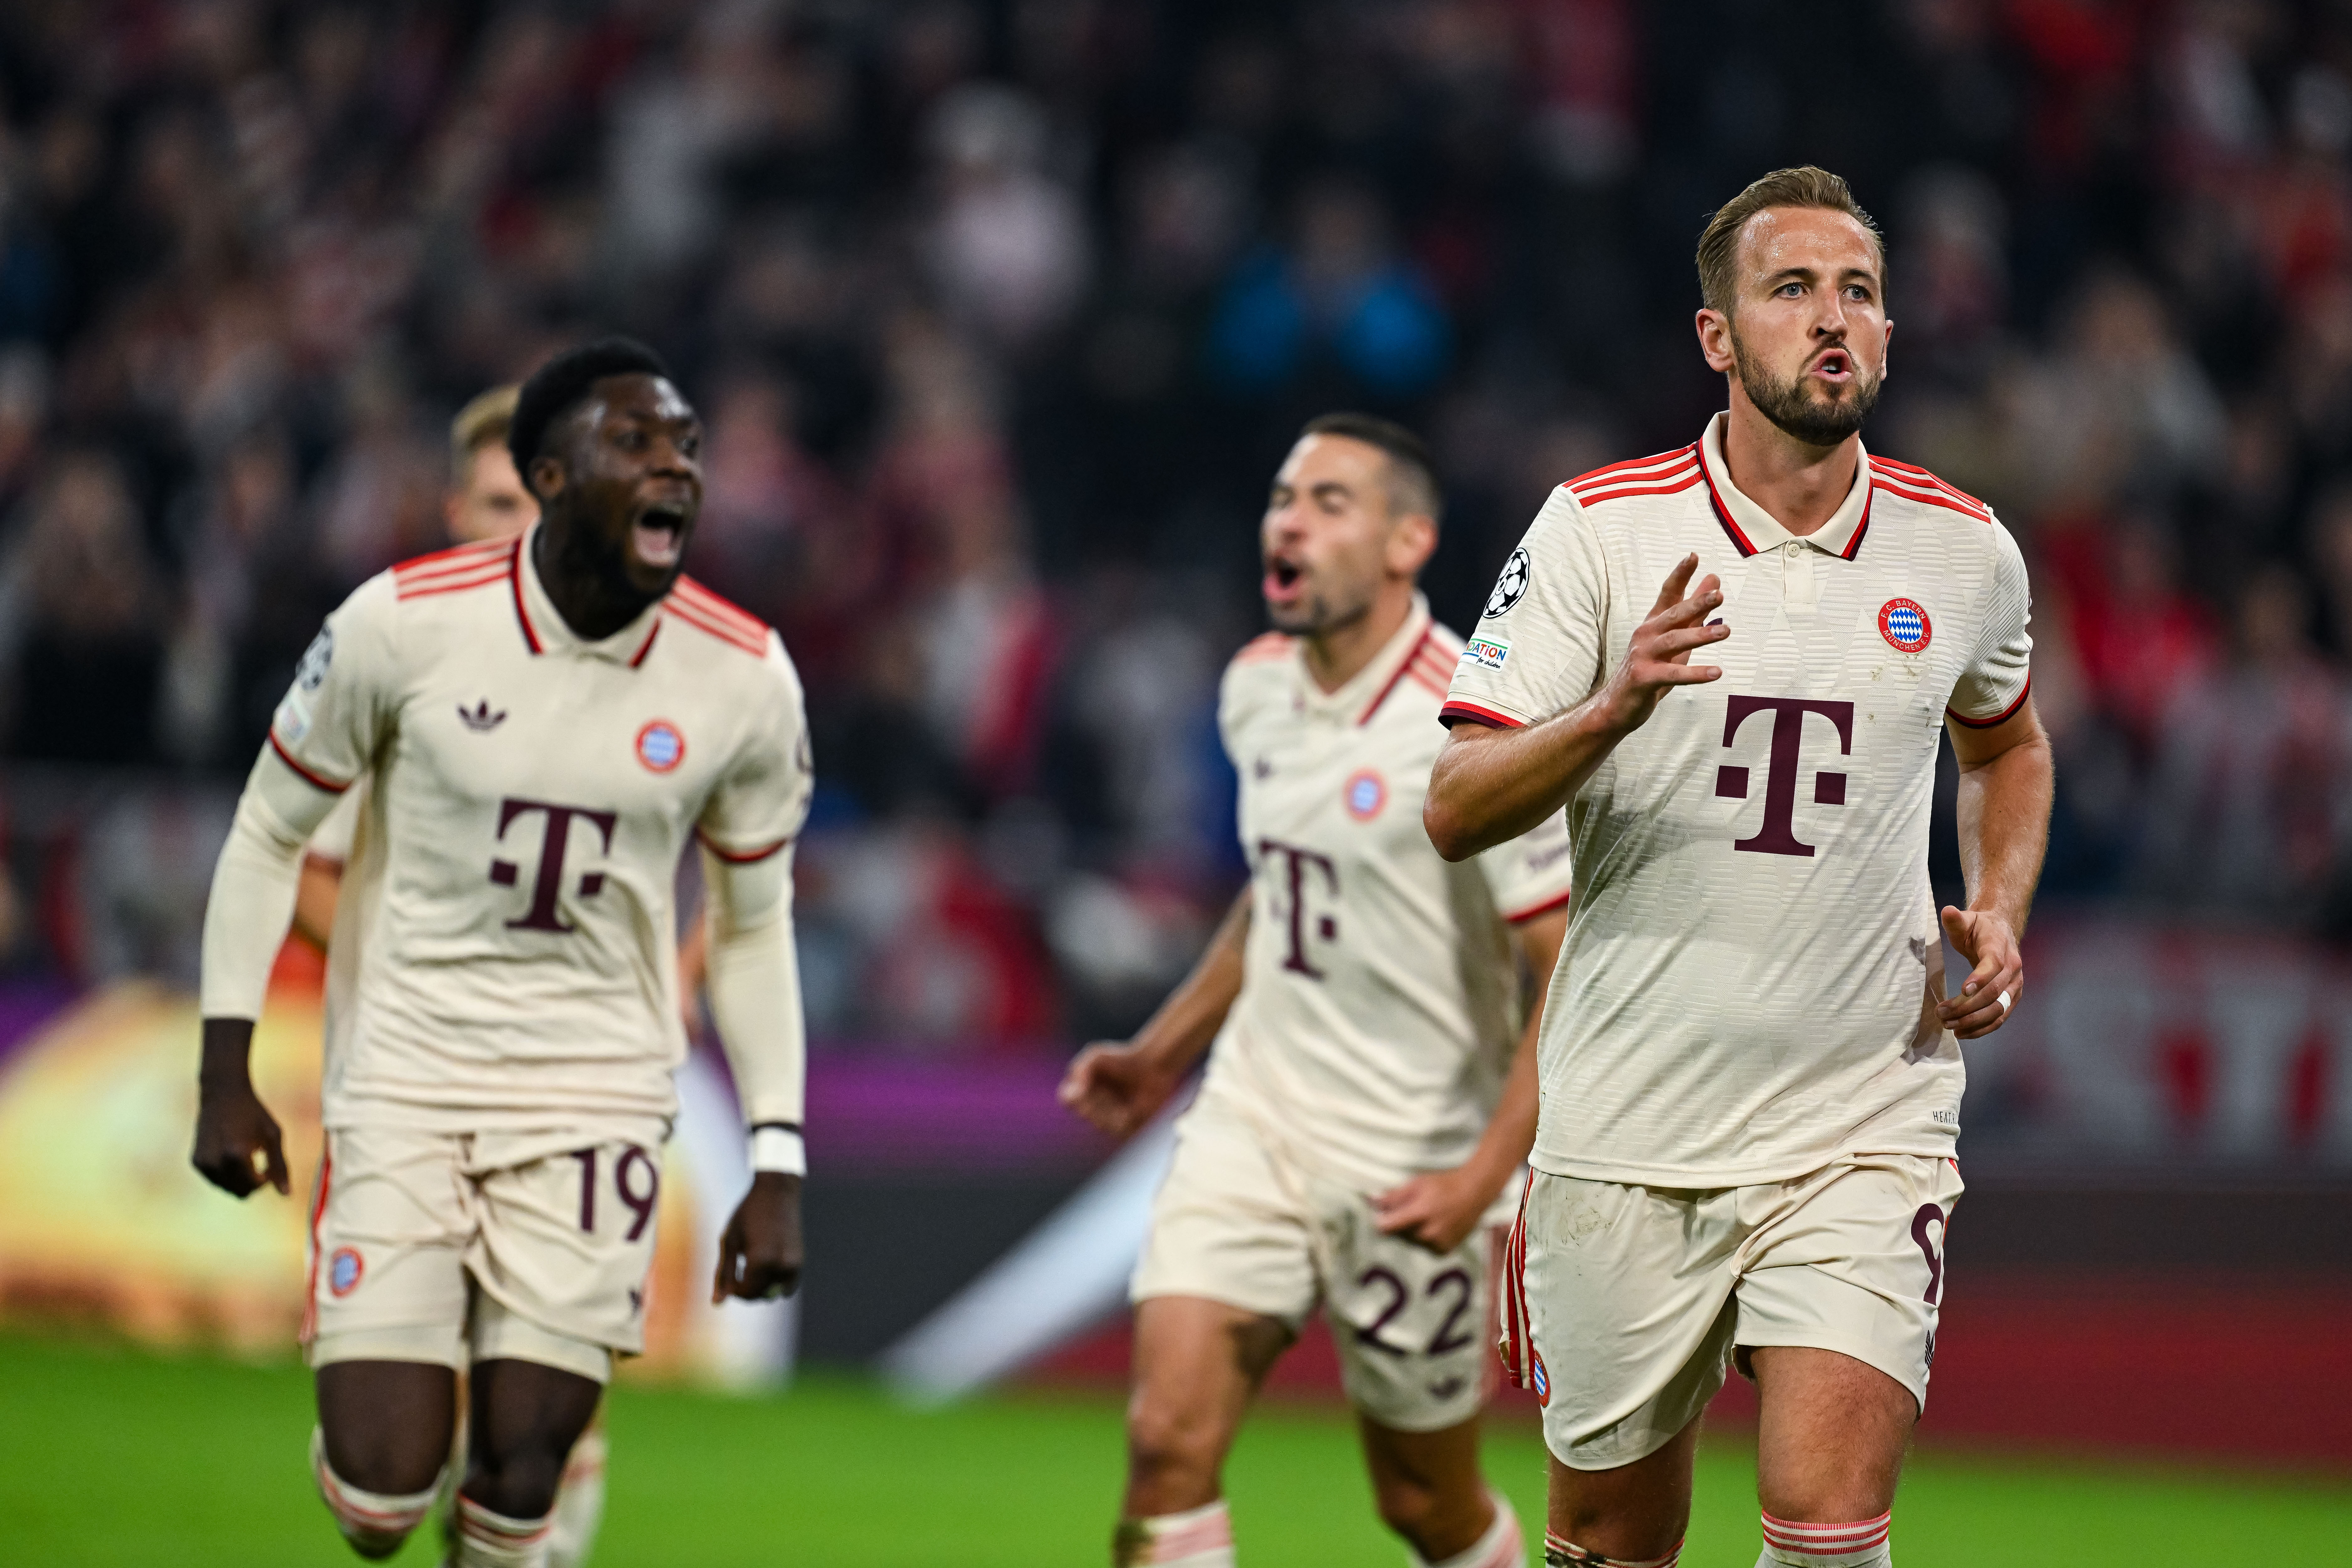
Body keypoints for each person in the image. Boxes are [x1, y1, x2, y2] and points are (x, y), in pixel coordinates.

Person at [1423, 166, 2053, 1568]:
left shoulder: (1963, 553)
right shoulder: (1599, 529)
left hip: (1859, 1121)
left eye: (1858, 293)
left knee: (1828, 1531)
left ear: (1888, 334)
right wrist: (1608, 710)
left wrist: (1997, 908)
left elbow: (2007, 748)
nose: (1831, 321)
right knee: (1607, 1542)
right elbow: (1454, 803)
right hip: (1623, 1137)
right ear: (1715, 338)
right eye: (1790, 291)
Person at [190, 338, 815, 1568]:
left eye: (685, 445)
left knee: (523, 1482)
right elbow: (268, 831)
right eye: (635, 442)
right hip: (409, 1080)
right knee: (380, 1502)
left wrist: (778, 1154)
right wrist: (225, 1066)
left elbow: (753, 923)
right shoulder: (401, 625)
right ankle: (380, 1442)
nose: (673, 466)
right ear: (545, 474)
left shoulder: (744, 677)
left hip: (595, 1099)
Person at [1061, 412, 1577, 1568]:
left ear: (1407, 542)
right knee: (1162, 1444)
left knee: (1423, 1507)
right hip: (1253, 1122)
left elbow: (1568, 967)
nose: (1288, 518)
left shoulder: (1472, 722)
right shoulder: (1254, 686)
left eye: (1329, 501)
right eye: (1284, 496)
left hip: (1413, 1163)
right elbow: (1277, 893)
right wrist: (1161, 1051)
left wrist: (1485, 1174)